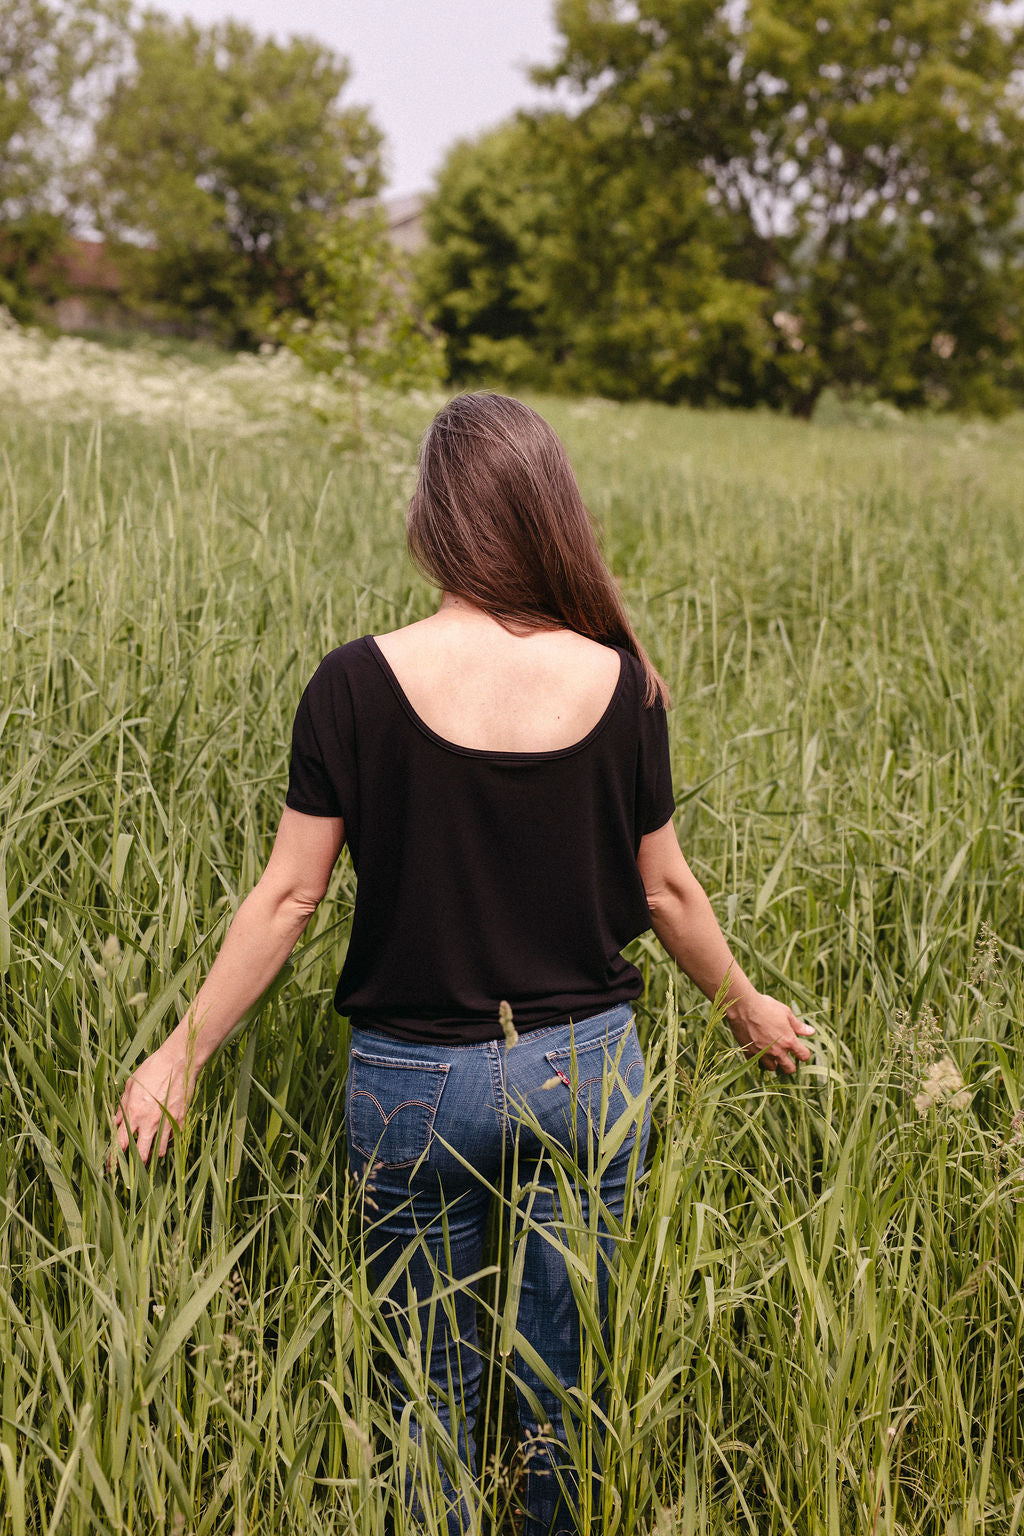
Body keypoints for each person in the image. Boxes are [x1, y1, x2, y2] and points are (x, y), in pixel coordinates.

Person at [114, 392, 815, 1534]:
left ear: (433, 519)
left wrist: (178, 1056)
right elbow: (667, 889)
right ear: (550, 514)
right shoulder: (622, 682)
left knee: (420, 1396)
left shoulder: (353, 680)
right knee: (560, 1391)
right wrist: (744, 1005)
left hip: (414, 1081)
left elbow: (290, 895)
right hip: (586, 1074)